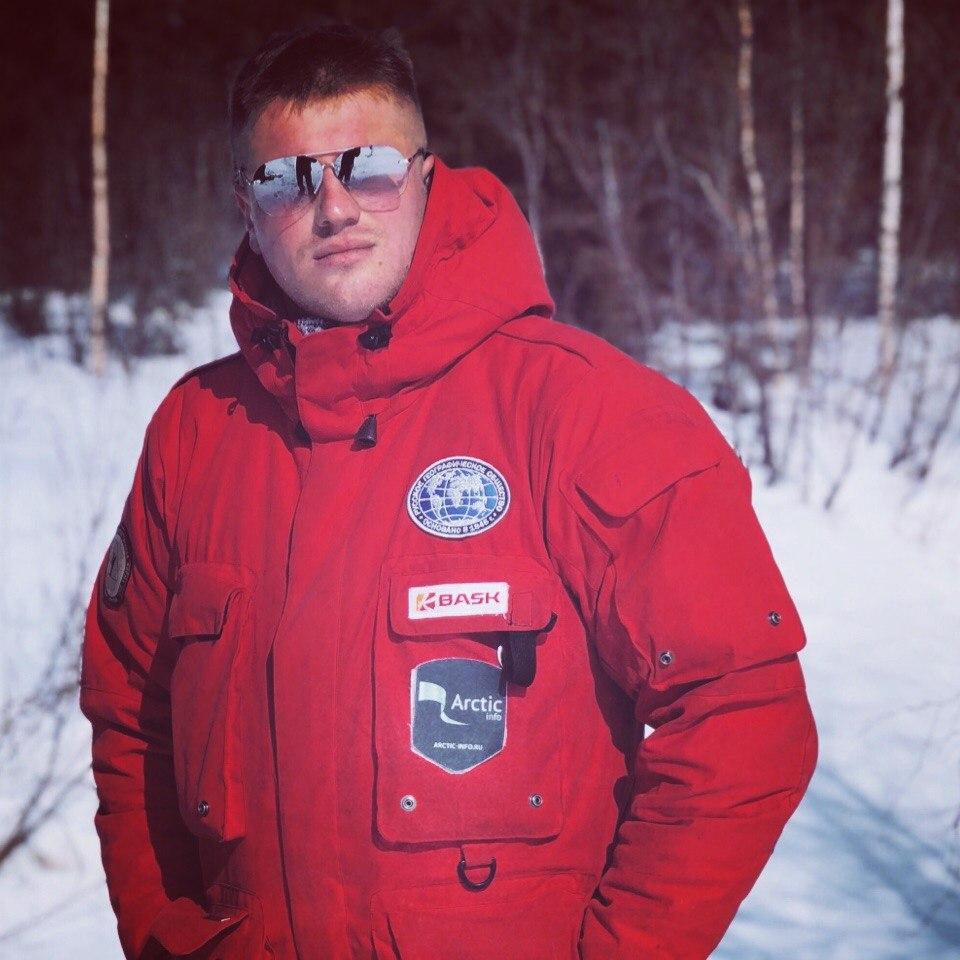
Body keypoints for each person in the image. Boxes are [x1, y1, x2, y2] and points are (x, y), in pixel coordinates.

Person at [80, 21, 817, 960]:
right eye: (286, 180)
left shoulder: (587, 413)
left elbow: (743, 717)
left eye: (369, 168)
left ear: (428, 177)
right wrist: (164, 938)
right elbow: (131, 722)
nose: (333, 207)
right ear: (246, 208)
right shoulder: (195, 436)